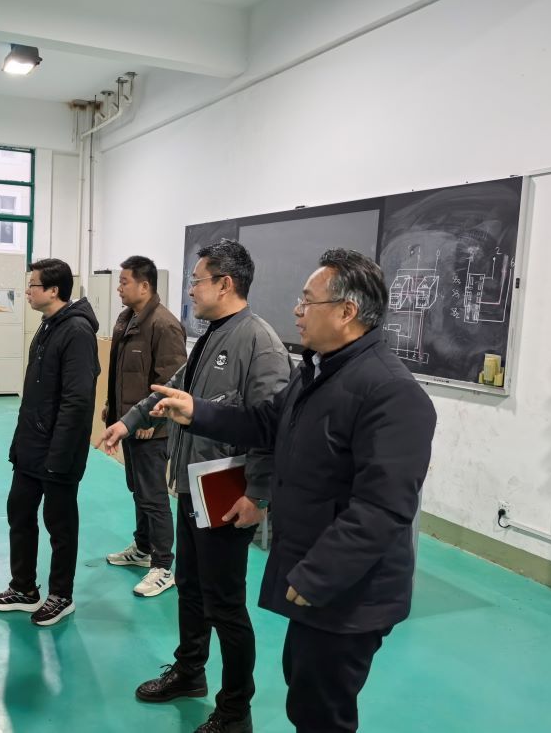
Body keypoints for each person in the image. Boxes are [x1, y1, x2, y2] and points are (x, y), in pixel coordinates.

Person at [148, 248, 437, 733]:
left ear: (346, 312)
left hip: (350, 592)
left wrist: (316, 576)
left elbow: (383, 509)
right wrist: (198, 412)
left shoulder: (391, 393)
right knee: (304, 693)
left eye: (307, 301)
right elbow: (265, 422)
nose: (297, 311)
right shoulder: (318, 373)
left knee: (321, 712)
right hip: (317, 576)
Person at [101, 240, 291, 733]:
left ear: (224, 284)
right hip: (191, 488)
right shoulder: (211, 336)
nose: (190, 290)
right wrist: (128, 421)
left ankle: (235, 711)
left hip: (227, 495)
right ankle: (189, 672)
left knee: (225, 605)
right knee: (189, 588)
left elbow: (271, 428)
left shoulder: (260, 343)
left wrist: (258, 495)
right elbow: (173, 391)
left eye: (196, 281)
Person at [0, 258, 100, 627]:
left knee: (59, 525)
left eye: (33, 284)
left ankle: (61, 595)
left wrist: (59, 456)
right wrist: (20, 444)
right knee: (19, 512)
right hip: (31, 447)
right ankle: (24, 588)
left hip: (58, 451)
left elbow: (77, 401)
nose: (27, 291)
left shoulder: (77, 332)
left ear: (53, 290)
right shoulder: (48, 325)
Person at [104, 256, 187, 598]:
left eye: (124, 282)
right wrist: (113, 408)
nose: (119, 288)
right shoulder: (127, 320)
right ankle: (142, 548)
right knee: (138, 489)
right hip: (130, 424)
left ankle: (163, 566)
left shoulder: (164, 326)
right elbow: (122, 373)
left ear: (145, 285)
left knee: (154, 497)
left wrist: (153, 421)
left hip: (152, 429)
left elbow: (171, 382)